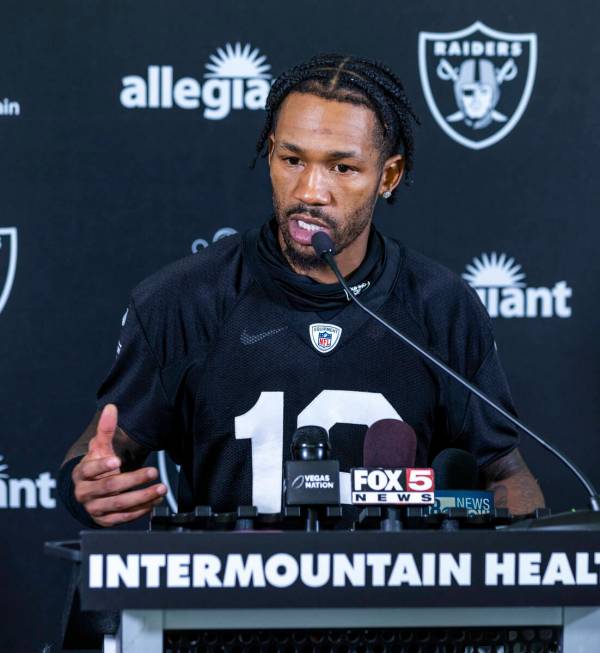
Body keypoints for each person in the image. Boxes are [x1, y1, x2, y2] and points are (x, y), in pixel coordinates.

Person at [58, 54, 544, 528]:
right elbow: (101, 451)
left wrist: (517, 560)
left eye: (342, 168)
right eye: (292, 159)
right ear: (270, 152)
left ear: (388, 176)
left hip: (393, 605)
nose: (310, 191)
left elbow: (506, 474)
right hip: (223, 602)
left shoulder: (441, 306)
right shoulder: (184, 299)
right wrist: (89, 484)